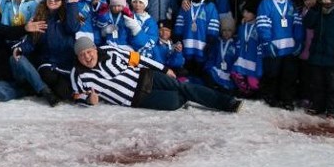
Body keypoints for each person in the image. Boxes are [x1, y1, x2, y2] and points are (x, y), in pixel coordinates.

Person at [66, 35, 240, 112]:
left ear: (95, 49)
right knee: (176, 101)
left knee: (183, 87)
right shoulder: (78, 73)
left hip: (145, 76)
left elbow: (138, 59)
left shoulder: (109, 51)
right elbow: (76, 95)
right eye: (82, 55)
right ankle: (199, 97)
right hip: (135, 98)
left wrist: (163, 69)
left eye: (89, 51)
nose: (87, 57)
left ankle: (227, 103)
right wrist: (88, 100)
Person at [12, 0, 80, 106]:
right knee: (47, 75)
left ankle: (45, 89)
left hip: (65, 65)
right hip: (48, 66)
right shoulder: (40, 19)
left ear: (62, 1)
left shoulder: (67, 17)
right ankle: (45, 91)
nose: (52, 0)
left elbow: (73, 28)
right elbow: (32, 41)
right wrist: (20, 48)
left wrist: (72, 5)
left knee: (64, 93)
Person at [256, 0, 303, 109]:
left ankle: (287, 99)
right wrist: (266, 42)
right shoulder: (266, 3)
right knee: (272, 74)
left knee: (289, 75)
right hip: (273, 47)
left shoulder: (291, 3)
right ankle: (271, 96)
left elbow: (297, 23)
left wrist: (299, 41)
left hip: (290, 49)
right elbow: (263, 24)